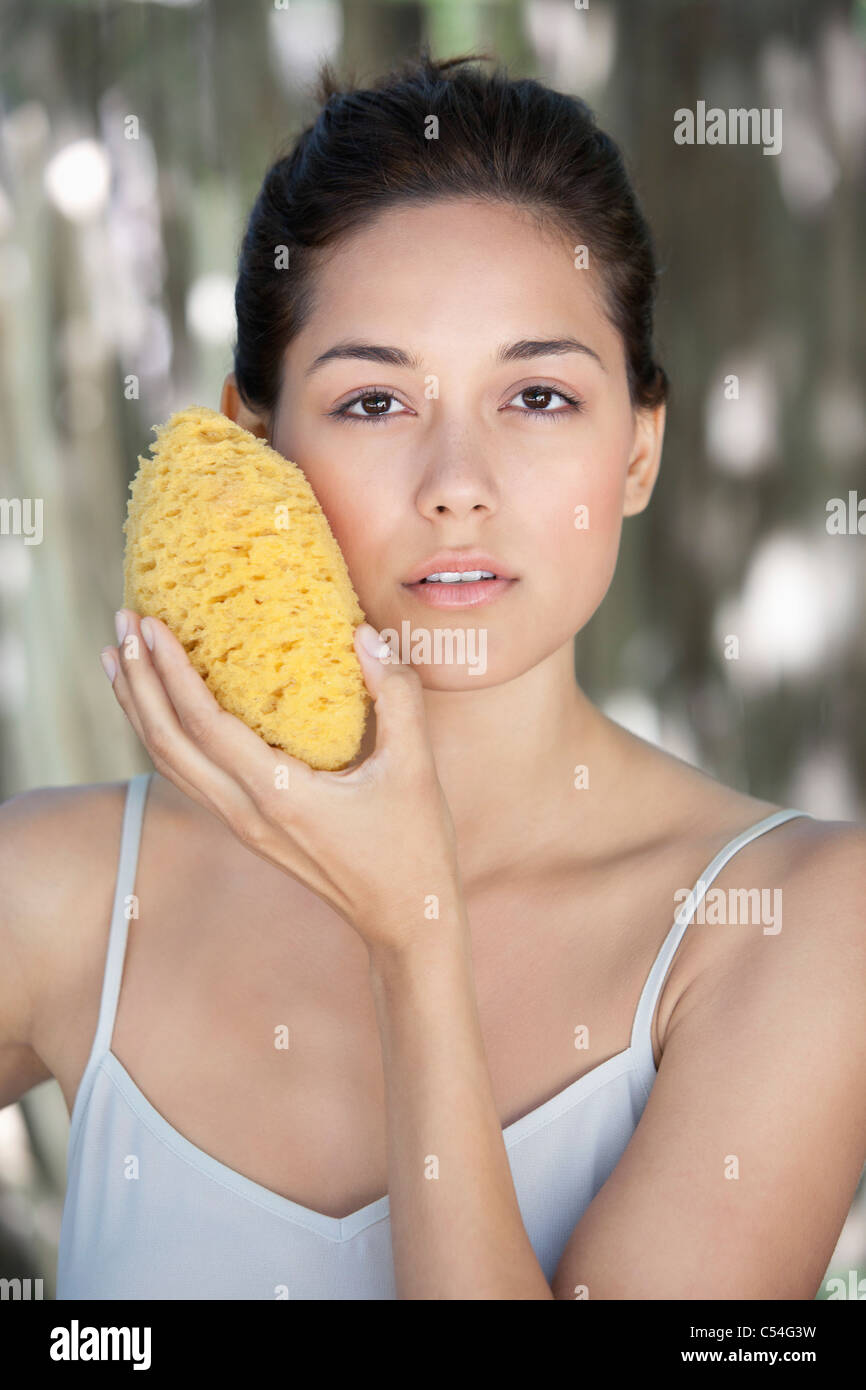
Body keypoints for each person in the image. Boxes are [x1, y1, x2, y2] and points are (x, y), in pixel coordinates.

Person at [2, 51, 864, 1302]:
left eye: (535, 394)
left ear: (637, 450)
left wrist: (415, 940)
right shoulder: (70, 893)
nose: (456, 479)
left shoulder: (800, 921)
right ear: (254, 447)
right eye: (370, 402)